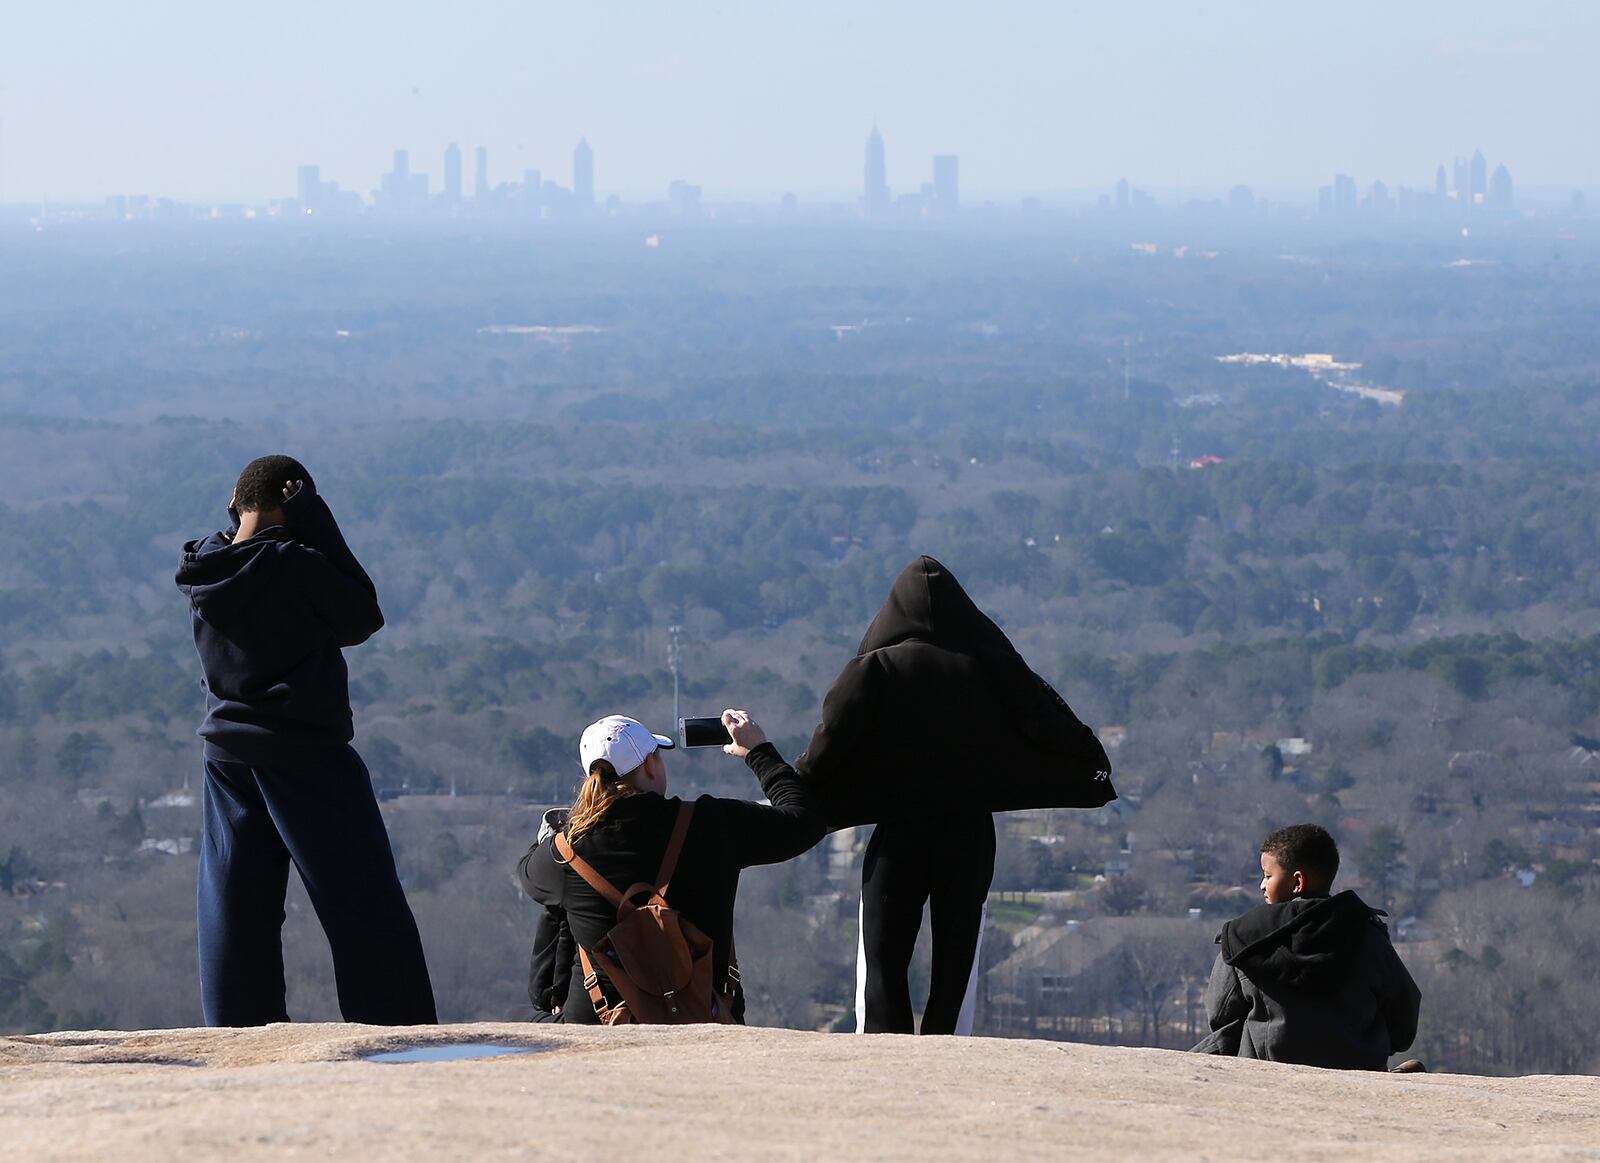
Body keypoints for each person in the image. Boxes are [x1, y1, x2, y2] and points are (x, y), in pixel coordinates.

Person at [797, 555, 1115, 1036]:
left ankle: (885, 1050)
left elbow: (824, 751)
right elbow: (1051, 725)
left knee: (882, 958)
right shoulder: (991, 666)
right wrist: (1087, 768)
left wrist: (789, 784)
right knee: (958, 958)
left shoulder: (874, 669)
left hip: (899, 833)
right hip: (969, 832)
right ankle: (949, 1047)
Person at [175, 454, 436, 1027]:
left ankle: (236, 1035)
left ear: (235, 503)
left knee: (236, 908)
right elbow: (362, 616)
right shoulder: (296, 564)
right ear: (293, 506)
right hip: (306, 755)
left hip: (227, 756)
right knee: (364, 905)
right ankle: (399, 1031)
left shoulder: (206, 566)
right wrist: (318, 522)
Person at [518, 710, 824, 1023]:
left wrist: (565, 829)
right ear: (651, 765)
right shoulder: (713, 824)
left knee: (539, 1021)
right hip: (706, 1016)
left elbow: (527, 872)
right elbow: (804, 822)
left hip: (602, 1027)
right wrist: (759, 752)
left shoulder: (567, 852)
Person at [1192, 823, 1421, 1069]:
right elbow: (1403, 1021)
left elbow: (1220, 1017)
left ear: (1297, 882)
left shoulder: (1244, 938)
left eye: (1268, 876)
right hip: (1358, 1070)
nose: (1262, 885)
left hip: (1266, 1071)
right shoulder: (1367, 934)